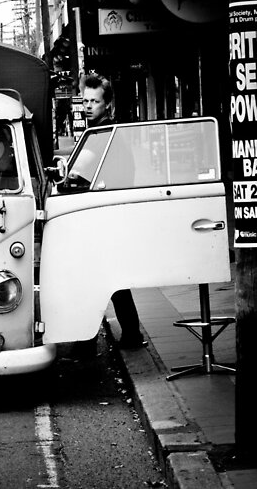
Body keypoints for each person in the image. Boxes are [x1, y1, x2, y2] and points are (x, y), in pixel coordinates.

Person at [82, 73, 146, 349]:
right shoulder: (101, 131)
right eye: (86, 100)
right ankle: (129, 334)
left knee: (96, 279)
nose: (88, 105)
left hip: (106, 215)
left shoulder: (103, 134)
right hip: (109, 214)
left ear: (106, 104)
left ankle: (86, 340)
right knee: (111, 279)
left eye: (95, 101)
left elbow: (78, 174)